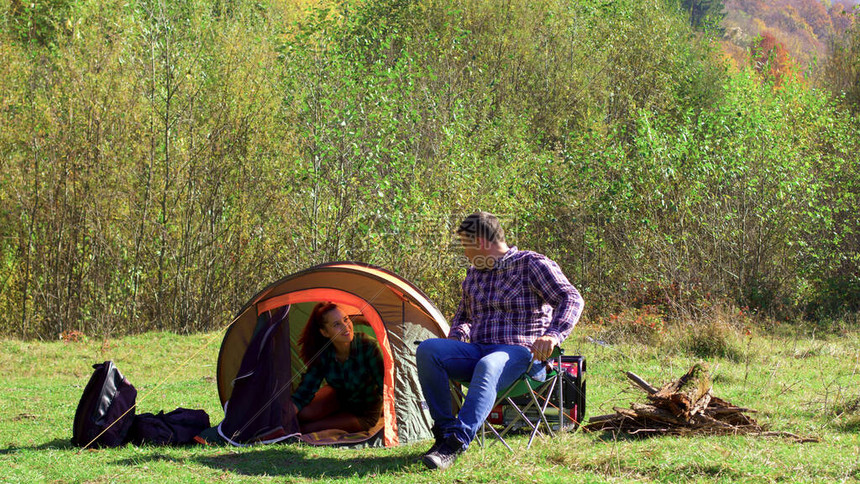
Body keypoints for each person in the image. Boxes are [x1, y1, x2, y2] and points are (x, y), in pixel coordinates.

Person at [416, 211, 584, 470]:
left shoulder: (531, 264)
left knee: (489, 364)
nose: (465, 253)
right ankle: (445, 433)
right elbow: (462, 319)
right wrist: (458, 337)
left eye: (465, 245)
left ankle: (456, 443)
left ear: (481, 243)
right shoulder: (473, 276)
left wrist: (553, 334)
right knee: (429, 350)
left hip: (523, 356)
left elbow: (571, 298)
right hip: (478, 351)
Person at [291, 302, 384, 434]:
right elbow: (304, 392)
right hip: (338, 398)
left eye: (346, 320)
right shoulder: (324, 353)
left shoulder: (368, 346)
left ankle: (339, 419)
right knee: (301, 415)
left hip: (364, 411)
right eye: (336, 325)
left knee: (306, 429)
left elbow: (385, 386)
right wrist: (282, 419)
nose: (345, 327)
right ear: (324, 332)